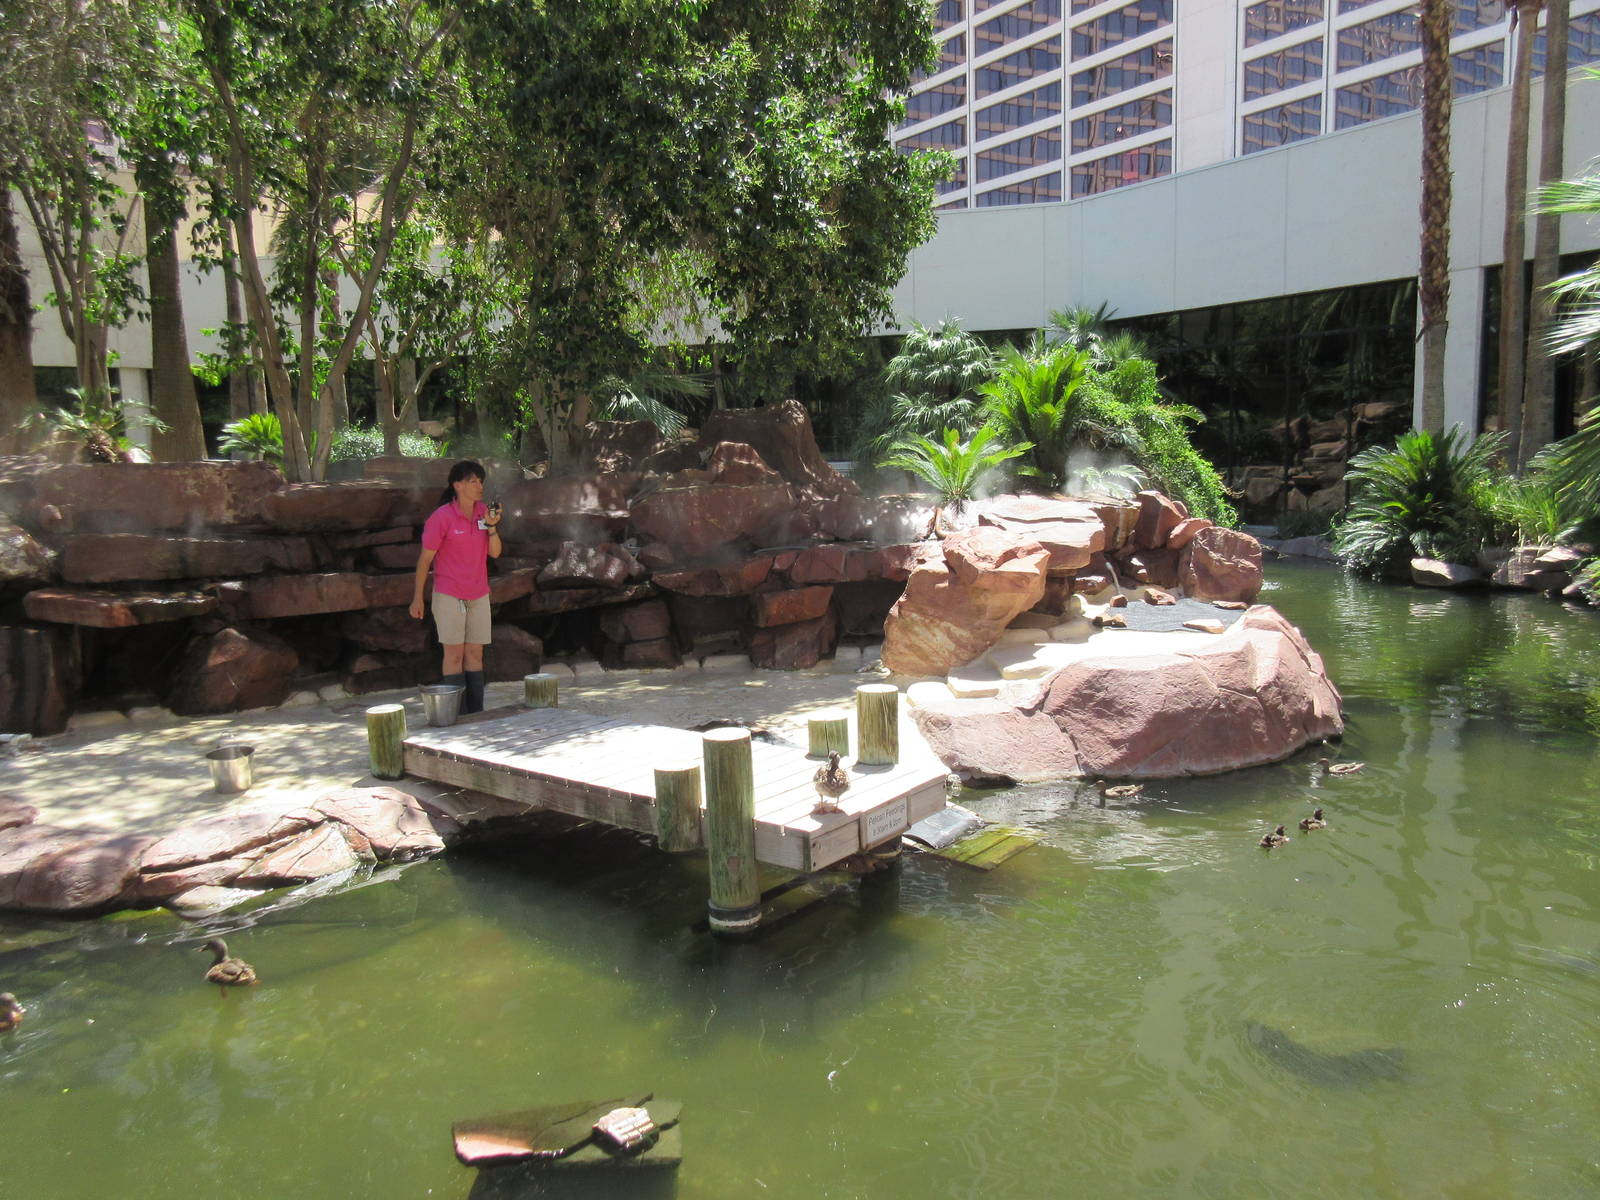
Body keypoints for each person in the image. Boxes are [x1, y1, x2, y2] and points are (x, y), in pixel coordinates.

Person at [410, 460, 502, 713]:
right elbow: (425, 561)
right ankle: (456, 716)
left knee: (475, 656)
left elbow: (495, 553)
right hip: (449, 594)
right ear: (457, 485)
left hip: (479, 594)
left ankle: (476, 714)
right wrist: (417, 598)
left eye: (481, 481)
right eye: (473, 481)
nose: (479, 486)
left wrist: (492, 527)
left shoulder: (484, 513)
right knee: (454, 656)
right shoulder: (441, 518)